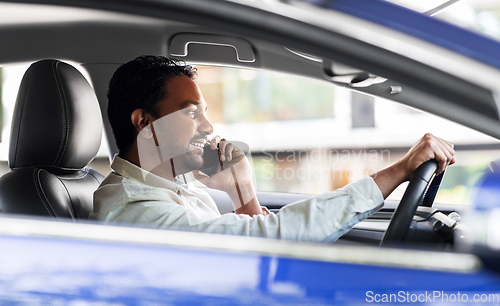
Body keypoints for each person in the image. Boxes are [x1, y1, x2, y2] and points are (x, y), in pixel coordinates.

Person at [90, 55, 456, 242]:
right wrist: (397, 171)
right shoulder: (135, 212)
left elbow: (249, 252)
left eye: (204, 112)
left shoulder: (171, 187)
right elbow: (269, 239)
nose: (208, 127)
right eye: (190, 113)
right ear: (144, 122)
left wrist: (243, 191)